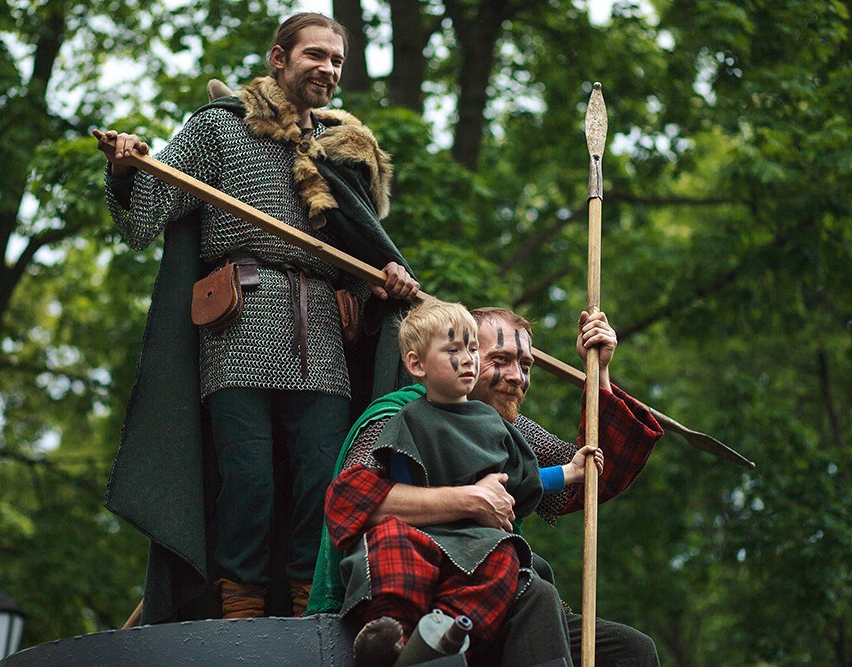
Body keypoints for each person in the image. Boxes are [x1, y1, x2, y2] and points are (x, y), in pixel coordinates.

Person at [94, 13, 419, 623]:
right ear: (279, 58)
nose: (328, 69)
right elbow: (142, 220)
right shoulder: (219, 131)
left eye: (337, 61)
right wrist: (122, 167)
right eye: (315, 56)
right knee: (246, 480)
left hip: (320, 332)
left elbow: (361, 257)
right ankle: (239, 612)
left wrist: (387, 282)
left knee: (322, 480)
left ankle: (307, 609)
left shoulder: (342, 153)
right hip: (240, 325)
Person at [311, 306, 663, 665]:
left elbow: (587, 475)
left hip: (492, 587)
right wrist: (469, 499)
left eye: (525, 365)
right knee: (535, 597)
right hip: (418, 592)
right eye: (501, 359)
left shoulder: (507, 431)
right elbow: (351, 500)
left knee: (629, 651)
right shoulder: (403, 415)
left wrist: (599, 369)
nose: (517, 377)